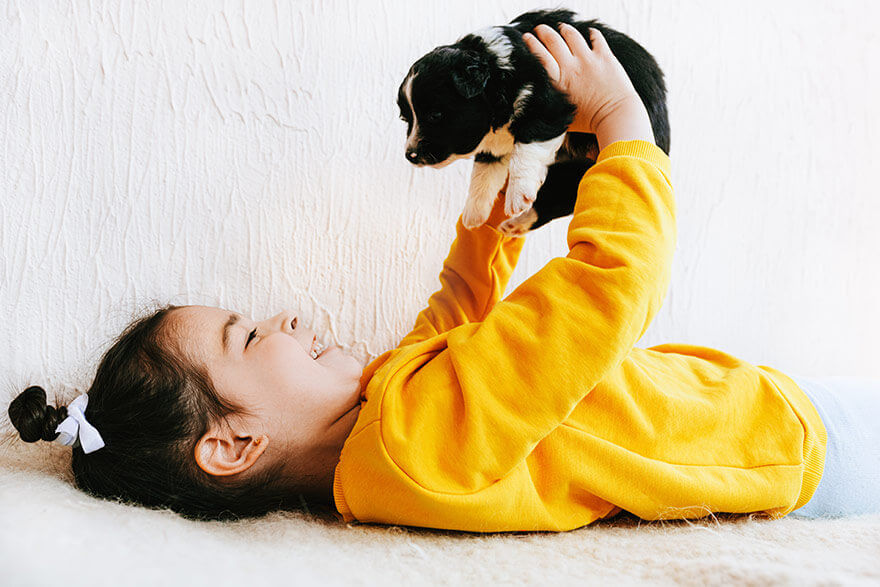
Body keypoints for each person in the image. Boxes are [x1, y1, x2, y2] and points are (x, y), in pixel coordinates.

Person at [8, 25, 879, 531]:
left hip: (750, 405)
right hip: (782, 443)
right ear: (234, 444)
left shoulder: (386, 423)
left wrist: (485, 230)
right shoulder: (411, 448)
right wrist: (624, 129)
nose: (281, 318)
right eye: (246, 334)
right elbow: (603, 294)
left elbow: (456, 321)